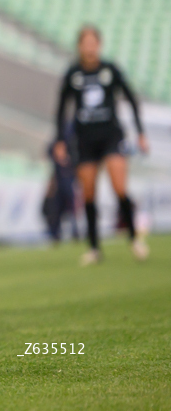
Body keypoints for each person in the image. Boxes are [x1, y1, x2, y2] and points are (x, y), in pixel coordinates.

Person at [53, 25, 148, 264]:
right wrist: (60, 140)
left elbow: (131, 98)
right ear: (79, 46)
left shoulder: (110, 70)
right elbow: (61, 109)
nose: (89, 47)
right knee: (88, 193)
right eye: (85, 42)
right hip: (84, 140)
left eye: (93, 42)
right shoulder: (73, 74)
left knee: (119, 188)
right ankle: (94, 248)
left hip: (111, 136)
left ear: (99, 45)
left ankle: (134, 238)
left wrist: (140, 133)